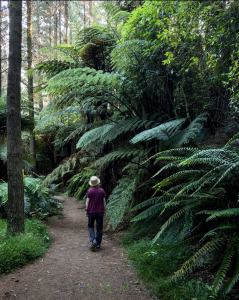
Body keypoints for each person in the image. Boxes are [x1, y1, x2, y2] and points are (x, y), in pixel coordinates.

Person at [85, 176, 106, 251]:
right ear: (97, 182)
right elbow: (104, 202)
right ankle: (98, 246)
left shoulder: (90, 191)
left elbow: (87, 201)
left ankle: (93, 240)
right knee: (99, 228)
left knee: (90, 226)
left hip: (91, 212)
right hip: (100, 211)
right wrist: (104, 210)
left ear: (91, 183)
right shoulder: (102, 190)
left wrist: (86, 210)